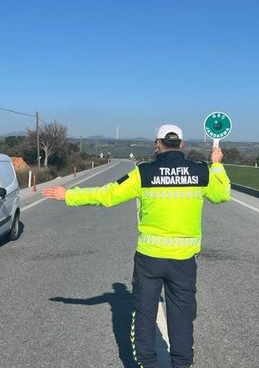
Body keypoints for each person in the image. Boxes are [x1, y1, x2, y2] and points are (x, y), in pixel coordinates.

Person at [43, 124, 231, 368]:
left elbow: (107, 195)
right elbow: (223, 194)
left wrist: (68, 195)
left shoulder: (144, 173)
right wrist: (216, 163)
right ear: (182, 145)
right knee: (182, 317)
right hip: (184, 261)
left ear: (157, 144)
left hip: (150, 259)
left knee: (144, 316)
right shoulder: (201, 171)